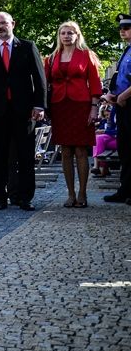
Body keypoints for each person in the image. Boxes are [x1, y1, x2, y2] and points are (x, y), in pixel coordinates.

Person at [0, 11, 47, 211]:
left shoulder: (27, 46)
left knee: (24, 156)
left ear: (12, 24)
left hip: (23, 112)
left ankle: (25, 198)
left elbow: (40, 80)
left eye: (3, 23)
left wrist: (39, 105)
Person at [44, 21, 103, 208]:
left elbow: (95, 84)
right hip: (59, 106)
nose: (67, 36)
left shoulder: (87, 55)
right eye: (63, 33)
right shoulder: (52, 58)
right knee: (66, 151)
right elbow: (44, 83)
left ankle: (82, 192)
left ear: (77, 35)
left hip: (81, 106)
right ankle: (70, 194)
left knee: (80, 150)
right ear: (59, 36)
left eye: (71, 32)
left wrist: (94, 108)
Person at [102, 13, 131, 204]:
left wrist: (123, 95)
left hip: (128, 102)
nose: (122, 31)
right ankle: (126, 189)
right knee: (125, 148)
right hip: (121, 105)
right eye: (121, 28)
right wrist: (113, 94)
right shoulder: (127, 50)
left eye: (126, 28)